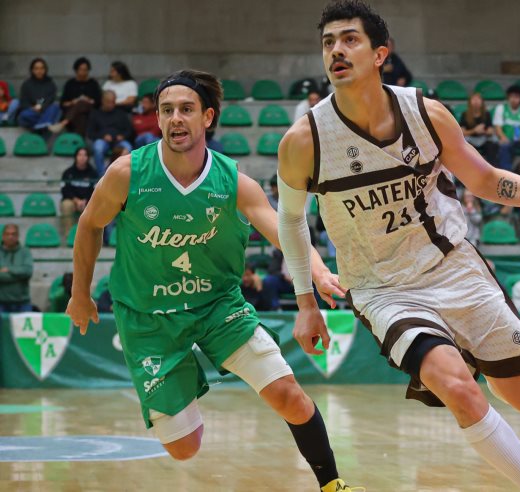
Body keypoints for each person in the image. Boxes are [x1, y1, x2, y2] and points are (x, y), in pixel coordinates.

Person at [277, 2, 520, 489]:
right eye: (328, 42)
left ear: (380, 54)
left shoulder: (425, 113)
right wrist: (305, 302)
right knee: (460, 390)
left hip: (453, 266)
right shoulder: (305, 140)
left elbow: (483, 178)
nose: (336, 50)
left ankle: (465, 353)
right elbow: (291, 219)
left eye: (350, 39)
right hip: (383, 288)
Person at [65, 69, 357, 492]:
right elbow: (90, 225)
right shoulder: (128, 173)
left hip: (218, 306)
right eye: (167, 110)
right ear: (157, 118)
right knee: (184, 448)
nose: (175, 118)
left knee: (288, 395)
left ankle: (333, 485)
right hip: (149, 317)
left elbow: (283, 230)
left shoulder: (232, 181)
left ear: (207, 117)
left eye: (186, 109)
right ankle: (182, 386)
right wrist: (80, 294)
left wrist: (318, 270)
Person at [87, 91, 134, 175]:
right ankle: (102, 175)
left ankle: (124, 174)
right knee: (98, 148)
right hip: (102, 140)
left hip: (119, 141)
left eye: (113, 102)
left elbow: (129, 130)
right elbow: (90, 133)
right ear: (103, 101)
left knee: (128, 148)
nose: (111, 105)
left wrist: (123, 136)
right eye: (108, 102)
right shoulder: (95, 114)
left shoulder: (121, 114)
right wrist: (102, 136)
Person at [54, 57, 102, 135]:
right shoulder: (70, 84)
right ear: (76, 70)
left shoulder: (93, 84)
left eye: (85, 70)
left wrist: (89, 100)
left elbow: (98, 102)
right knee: (81, 117)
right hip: (74, 114)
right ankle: (81, 140)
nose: (83, 72)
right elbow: (63, 104)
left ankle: (63, 122)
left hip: (90, 112)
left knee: (82, 102)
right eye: (81, 69)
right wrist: (73, 102)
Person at [493, 84, 520, 172]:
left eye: (516, 97)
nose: (513, 99)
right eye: (511, 96)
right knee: (504, 146)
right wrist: (503, 137)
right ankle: (506, 173)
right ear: (508, 97)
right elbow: (497, 127)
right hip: (506, 139)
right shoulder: (501, 108)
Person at [60, 147, 99, 239]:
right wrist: (76, 200)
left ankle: (90, 239)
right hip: (72, 200)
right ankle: (69, 237)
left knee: (95, 206)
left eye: (85, 155)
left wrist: (85, 201)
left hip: (88, 201)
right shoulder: (68, 172)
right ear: (76, 157)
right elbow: (64, 190)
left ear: (88, 157)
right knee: (66, 205)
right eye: (80, 155)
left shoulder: (93, 173)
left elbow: (96, 191)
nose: (82, 157)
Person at [16, 58, 62, 134]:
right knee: (23, 115)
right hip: (32, 112)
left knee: (55, 107)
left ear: (45, 70)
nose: (39, 71)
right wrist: (33, 108)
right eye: (36, 68)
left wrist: (41, 106)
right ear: (32, 70)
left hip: (45, 110)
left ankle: (40, 126)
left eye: (41, 68)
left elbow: (49, 99)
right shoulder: (27, 84)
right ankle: (44, 124)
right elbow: (24, 102)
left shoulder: (49, 84)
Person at [0, 224, 34, 314]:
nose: (10, 237)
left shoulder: (25, 251)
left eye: (13, 234)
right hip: (1, 303)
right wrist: (19, 275)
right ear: (3, 236)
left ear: (18, 236)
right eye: (7, 234)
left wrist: (8, 269)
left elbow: (28, 272)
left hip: (22, 303)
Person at [459, 92, 499, 166]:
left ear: (482, 102)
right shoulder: (465, 114)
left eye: (478, 99)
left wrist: (485, 131)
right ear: (470, 102)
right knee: (466, 147)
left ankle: (492, 168)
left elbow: (491, 130)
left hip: (483, 139)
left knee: (492, 145)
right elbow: (462, 132)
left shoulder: (486, 114)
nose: (476, 101)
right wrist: (474, 130)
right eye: (474, 99)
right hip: (470, 139)